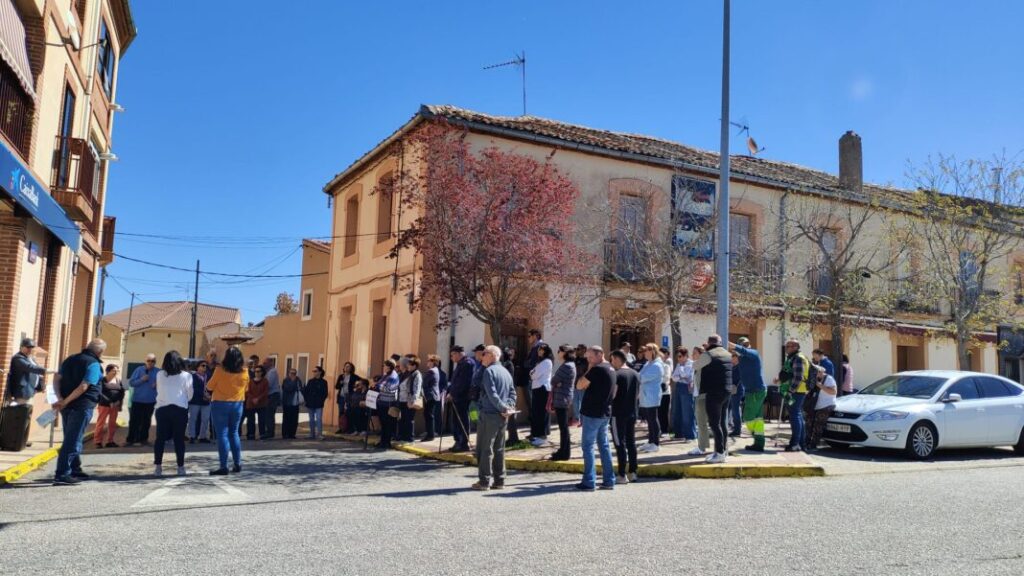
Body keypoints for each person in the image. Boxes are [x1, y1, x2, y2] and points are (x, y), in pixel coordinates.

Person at [52, 339, 106, 485]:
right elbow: (84, 386)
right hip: (81, 406)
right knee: (73, 440)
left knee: (71, 437)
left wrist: (60, 398)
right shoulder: (93, 364)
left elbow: (56, 378)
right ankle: (62, 474)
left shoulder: (70, 359)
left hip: (67, 406)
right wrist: (65, 400)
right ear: (99, 352)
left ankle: (75, 468)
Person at [470, 345, 517, 491]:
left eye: (484, 354)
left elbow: (492, 393)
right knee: (499, 448)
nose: (481, 356)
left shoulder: (489, 371)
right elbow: (512, 393)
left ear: (491, 355)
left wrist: (504, 408)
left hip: (490, 414)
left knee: (485, 448)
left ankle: (484, 481)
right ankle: (499, 480)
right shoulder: (505, 371)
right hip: (502, 416)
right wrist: (508, 408)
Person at [575, 346, 616, 491]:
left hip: (592, 413)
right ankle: (609, 480)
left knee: (588, 447)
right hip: (604, 413)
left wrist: (590, 368)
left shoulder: (597, 369)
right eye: (587, 358)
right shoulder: (611, 369)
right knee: (604, 447)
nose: (588, 360)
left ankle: (589, 480)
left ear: (600, 355)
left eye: (591, 357)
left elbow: (579, 385)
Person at [206, 346, 250, 475]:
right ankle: (237, 463)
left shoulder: (219, 370)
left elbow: (209, 386)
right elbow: (246, 389)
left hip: (220, 404)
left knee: (222, 435)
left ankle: (223, 466)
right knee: (234, 433)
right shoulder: (245, 372)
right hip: (237, 404)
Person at [154, 351, 192, 477]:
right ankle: (180, 467)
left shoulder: (160, 374)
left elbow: (159, 389)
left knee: (160, 439)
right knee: (179, 439)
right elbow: (190, 394)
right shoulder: (186, 376)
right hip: (179, 409)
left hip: (162, 408)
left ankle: (158, 467)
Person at [729, 337, 767, 451]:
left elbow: (744, 351)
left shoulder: (753, 354)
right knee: (758, 419)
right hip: (752, 391)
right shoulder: (741, 359)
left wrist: (732, 345)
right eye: (743, 344)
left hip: (756, 391)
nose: (745, 346)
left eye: (746, 344)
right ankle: (759, 444)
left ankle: (758, 437)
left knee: (748, 417)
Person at [699, 335, 732, 464]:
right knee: (722, 422)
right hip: (726, 391)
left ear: (708, 343)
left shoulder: (708, 354)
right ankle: (723, 451)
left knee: (714, 423)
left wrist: (705, 351)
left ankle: (719, 453)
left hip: (713, 392)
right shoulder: (727, 353)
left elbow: (695, 366)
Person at [775, 339, 811, 452]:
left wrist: (790, 391)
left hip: (795, 392)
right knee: (797, 415)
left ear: (795, 347)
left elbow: (798, 377)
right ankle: (801, 443)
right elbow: (790, 374)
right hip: (796, 391)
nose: (786, 348)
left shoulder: (798, 358)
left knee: (794, 416)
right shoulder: (794, 357)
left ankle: (795, 444)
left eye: (789, 346)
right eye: (786, 346)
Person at [610, 350, 639, 484]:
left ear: (617, 359)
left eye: (612, 360)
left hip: (618, 413)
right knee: (631, 442)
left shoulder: (617, 374)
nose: (611, 363)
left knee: (619, 442)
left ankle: (621, 474)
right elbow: (637, 394)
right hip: (632, 412)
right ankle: (633, 471)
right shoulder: (635, 374)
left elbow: (613, 394)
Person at [4, 338, 51, 421]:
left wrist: (41, 385)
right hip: (22, 393)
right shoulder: (18, 358)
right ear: (22, 347)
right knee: (19, 417)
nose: (30, 349)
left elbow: (37, 374)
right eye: (28, 347)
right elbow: (31, 368)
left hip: (30, 391)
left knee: (26, 416)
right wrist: (46, 370)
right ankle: (17, 433)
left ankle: (22, 433)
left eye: (32, 347)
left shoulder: (30, 358)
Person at [548, 345, 576, 461]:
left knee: (563, 427)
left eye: (559, 351)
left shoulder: (567, 366)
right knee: (563, 427)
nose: (558, 352)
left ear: (565, 352)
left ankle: (564, 452)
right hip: (563, 397)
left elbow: (553, 380)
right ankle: (563, 450)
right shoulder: (567, 365)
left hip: (562, 398)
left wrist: (557, 382)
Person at [126, 353, 159, 447]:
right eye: (148, 360)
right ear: (145, 361)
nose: (150, 363)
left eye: (153, 361)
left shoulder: (158, 372)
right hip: (137, 400)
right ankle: (131, 439)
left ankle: (143, 439)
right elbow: (131, 383)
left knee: (146, 421)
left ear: (155, 362)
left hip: (150, 401)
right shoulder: (139, 370)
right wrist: (142, 380)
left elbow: (164, 384)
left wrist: (157, 384)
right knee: (134, 421)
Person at [637, 344, 664, 453]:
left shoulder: (657, 365)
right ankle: (650, 441)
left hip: (652, 395)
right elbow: (640, 375)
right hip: (646, 395)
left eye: (647, 351)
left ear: (653, 352)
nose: (645, 353)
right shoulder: (648, 363)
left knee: (653, 419)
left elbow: (643, 377)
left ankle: (655, 443)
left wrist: (634, 376)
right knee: (649, 419)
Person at [446, 346, 474, 452]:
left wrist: (453, 393)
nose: (451, 358)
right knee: (456, 421)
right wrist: (450, 391)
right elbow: (455, 381)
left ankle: (463, 443)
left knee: (462, 420)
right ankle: (457, 441)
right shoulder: (461, 364)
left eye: (452, 355)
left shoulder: (467, 364)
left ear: (458, 354)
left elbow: (463, 383)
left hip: (462, 397)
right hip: (456, 397)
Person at [687, 346, 711, 457]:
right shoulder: (698, 366)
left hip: (703, 396)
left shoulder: (702, 365)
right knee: (701, 423)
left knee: (702, 423)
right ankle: (703, 445)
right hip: (697, 396)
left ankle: (702, 448)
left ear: (701, 354)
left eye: (695, 353)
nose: (692, 355)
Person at [807, 365, 838, 450]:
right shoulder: (814, 379)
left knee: (818, 424)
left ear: (821, 372)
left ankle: (814, 444)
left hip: (827, 405)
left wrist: (820, 385)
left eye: (816, 373)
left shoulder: (829, 379)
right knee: (809, 422)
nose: (815, 375)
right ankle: (806, 442)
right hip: (816, 405)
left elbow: (833, 392)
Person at [528, 343, 553, 447]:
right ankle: (537, 434)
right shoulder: (541, 362)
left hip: (542, 389)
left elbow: (534, 375)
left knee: (541, 413)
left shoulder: (546, 362)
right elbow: (533, 373)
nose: (539, 351)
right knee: (536, 412)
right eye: (539, 349)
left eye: (541, 349)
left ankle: (542, 436)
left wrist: (532, 372)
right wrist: (532, 372)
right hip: (537, 388)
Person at [95, 364, 124, 448]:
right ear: (108, 371)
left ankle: (110, 441)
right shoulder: (102, 381)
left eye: (117, 370)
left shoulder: (118, 381)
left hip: (115, 406)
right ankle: (98, 441)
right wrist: (109, 401)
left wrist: (118, 401)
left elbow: (121, 392)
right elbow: (100, 393)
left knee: (112, 424)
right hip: (104, 405)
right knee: (101, 423)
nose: (116, 372)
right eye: (114, 370)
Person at [671, 347, 696, 440]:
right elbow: (674, 377)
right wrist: (681, 376)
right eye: (677, 356)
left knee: (687, 413)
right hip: (679, 387)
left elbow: (685, 375)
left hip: (686, 388)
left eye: (680, 356)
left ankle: (690, 435)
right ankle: (679, 434)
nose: (679, 358)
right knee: (677, 411)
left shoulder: (691, 364)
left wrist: (681, 373)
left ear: (686, 356)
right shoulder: (679, 364)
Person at [374, 360, 400, 450]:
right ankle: (382, 441)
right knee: (383, 423)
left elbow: (389, 388)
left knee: (387, 423)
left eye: (384, 365)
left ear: (389, 366)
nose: (383, 367)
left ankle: (387, 442)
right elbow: (379, 383)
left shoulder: (393, 376)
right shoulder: (385, 375)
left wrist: (378, 386)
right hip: (382, 401)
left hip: (388, 403)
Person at [397, 356, 423, 442]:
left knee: (409, 419)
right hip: (402, 399)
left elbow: (417, 389)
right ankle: (403, 436)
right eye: (408, 365)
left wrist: (412, 401)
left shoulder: (417, 374)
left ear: (415, 366)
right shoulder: (409, 373)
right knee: (403, 419)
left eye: (410, 365)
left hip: (409, 400)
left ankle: (409, 438)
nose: (408, 366)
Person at [187, 360, 211, 444]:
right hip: (195, 401)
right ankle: (192, 436)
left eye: (206, 366)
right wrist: (203, 394)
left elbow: (212, 387)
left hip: (206, 401)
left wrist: (209, 395)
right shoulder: (192, 377)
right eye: (203, 365)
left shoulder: (208, 376)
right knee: (193, 419)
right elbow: (193, 388)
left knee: (205, 419)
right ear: (197, 367)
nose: (205, 367)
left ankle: (202, 436)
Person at [501, 348, 520, 444]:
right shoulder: (507, 364)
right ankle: (512, 437)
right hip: (508, 392)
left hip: (509, 393)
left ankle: (513, 438)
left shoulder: (508, 364)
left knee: (510, 416)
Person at [245, 366, 269, 440]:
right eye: (255, 371)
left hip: (261, 403)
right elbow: (247, 391)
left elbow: (265, 392)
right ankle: (251, 434)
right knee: (251, 420)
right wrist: (253, 399)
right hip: (251, 403)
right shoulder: (250, 381)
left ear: (262, 372)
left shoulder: (265, 381)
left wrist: (258, 398)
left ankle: (262, 434)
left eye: (258, 371)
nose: (257, 373)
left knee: (262, 419)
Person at [304, 366, 329, 439]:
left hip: (319, 403)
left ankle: (319, 434)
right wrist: (307, 400)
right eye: (313, 371)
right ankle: (312, 434)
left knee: (318, 419)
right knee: (311, 419)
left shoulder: (324, 382)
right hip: (310, 402)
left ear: (320, 372)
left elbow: (325, 393)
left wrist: (321, 400)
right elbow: (306, 391)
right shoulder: (310, 381)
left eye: (315, 371)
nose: (314, 372)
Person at [422, 355, 442, 442]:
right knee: (429, 415)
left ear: (433, 362)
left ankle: (430, 434)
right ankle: (430, 433)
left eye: (429, 361)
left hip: (430, 395)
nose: (427, 362)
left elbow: (425, 383)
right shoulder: (436, 370)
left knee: (428, 415)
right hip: (434, 395)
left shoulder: (431, 371)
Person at [335, 362, 359, 434]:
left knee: (349, 412)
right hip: (341, 396)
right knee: (341, 412)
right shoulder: (341, 376)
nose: (346, 368)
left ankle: (349, 428)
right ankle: (341, 428)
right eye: (345, 366)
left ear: (351, 368)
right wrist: (341, 383)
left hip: (350, 397)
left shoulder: (354, 377)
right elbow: (336, 387)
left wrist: (356, 388)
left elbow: (360, 382)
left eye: (348, 366)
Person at [281, 368, 303, 439]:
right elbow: (287, 388)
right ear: (288, 373)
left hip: (295, 402)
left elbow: (300, 388)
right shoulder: (286, 380)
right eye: (291, 373)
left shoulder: (298, 380)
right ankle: (285, 434)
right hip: (287, 402)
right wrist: (293, 382)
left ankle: (292, 434)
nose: (293, 375)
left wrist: (295, 384)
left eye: (294, 373)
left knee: (294, 419)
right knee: (286, 419)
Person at [262, 359, 281, 439]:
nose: (263, 364)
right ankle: (269, 431)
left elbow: (268, 384)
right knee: (268, 414)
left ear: (271, 363)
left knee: (269, 414)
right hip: (271, 395)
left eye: (265, 363)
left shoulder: (272, 372)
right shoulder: (269, 372)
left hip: (272, 395)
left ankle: (270, 432)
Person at [728, 351, 745, 437]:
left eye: (733, 357)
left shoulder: (739, 367)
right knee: (734, 410)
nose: (732, 358)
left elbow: (738, 379)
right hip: (733, 390)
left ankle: (737, 429)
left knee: (735, 410)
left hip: (737, 391)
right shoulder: (733, 366)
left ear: (737, 358)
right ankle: (736, 428)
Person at [571, 344, 588, 426]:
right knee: (575, 403)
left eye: (579, 349)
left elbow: (587, 372)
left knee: (583, 402)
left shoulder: (586, 360)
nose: (577, 350)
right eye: (576, 349)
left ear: (584, 350)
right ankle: (576, 419)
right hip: (574, 384)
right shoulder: (574, 359)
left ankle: (583, 420)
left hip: (582, 384)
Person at [658, 346, 672, 439]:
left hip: (665, 392)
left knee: (664, 411)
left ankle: (665, 430)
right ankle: (659, 429)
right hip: (656, 392)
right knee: (658, 412)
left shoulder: (666, 365)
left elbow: (666, 378)